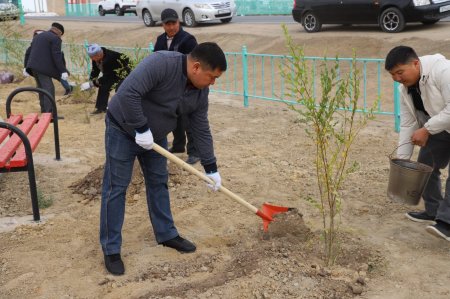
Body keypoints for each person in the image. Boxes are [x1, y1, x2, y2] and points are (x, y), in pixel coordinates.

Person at [100, 42, 227, 275]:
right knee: (116, 187)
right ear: (196, 67)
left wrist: (210, 167)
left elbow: (200, 125)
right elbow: (128, 93)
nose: (213, 82)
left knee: (159, 182)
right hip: (122, 128)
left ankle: (166, 234)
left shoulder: (200, 90)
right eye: (212, 77)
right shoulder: (161, 63)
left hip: (155, 137)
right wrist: (140, 127)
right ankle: (111, 248)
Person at [385, 46, 450, 242]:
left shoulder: (443, 71)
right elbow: (408, 124)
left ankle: (447, 223)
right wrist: (402, 162)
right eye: (392, 75)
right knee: (425, 167)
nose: (397, 78)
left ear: (415, 64)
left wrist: (427, 129)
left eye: (400, 72)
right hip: (440, 126)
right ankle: (433, 211)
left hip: (437, 123)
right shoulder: (405, 88)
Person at [154, 8, 200, 165]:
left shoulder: (188, 40)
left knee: (189, 119)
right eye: (167, 24)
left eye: (173, 23)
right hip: (169, 87)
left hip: (188, 86)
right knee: (175, 117)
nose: (171, 27)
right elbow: (156, 60)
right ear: (163, 25)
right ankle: (179, 145)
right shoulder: (160, 40)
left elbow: (195, 65)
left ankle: (194, 151)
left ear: (178, 22)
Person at [25, 22, 68, 113]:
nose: (60, 37)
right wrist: (63, 71)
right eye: (61, 34)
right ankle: (49, 114)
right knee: (48, 89)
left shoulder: (39, 36)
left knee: (41, 89)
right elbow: (56, 55)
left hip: (33, 67)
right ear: (58, 32)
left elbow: (29, 51)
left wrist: (26, 67)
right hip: (43, 69)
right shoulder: (55, 38)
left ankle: (44, 111)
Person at [82, 44, 131, 114]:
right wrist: (90, 80)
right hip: (112, 74)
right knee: (103, 87)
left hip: (123, 75)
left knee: (119, 89)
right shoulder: (96, 58)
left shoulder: (110, 58)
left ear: (99, 54)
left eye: (92, 57)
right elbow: (95, 70)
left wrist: (92, 84)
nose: (91, 59)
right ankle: (101, 108)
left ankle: (123, 110)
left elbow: (108, 76)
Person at [24, 29, 73, 96]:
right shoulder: (38, 45)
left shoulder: (46, 43)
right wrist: (25, 67)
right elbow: (28, 54)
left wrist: (63, 70)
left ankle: (69, 88)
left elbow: (58, 56)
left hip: (54, 65)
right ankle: (40, 89)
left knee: (60, 77)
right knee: (43, 80)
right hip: (46, 67)